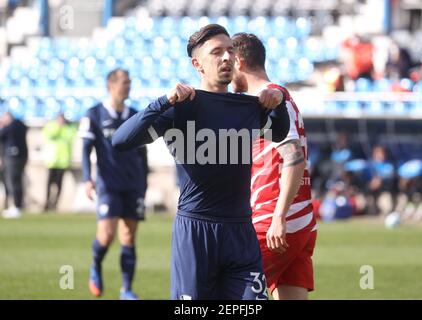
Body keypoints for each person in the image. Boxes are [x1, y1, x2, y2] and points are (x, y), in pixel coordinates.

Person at [112, 24, 290, 300]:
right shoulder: (181, 107)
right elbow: (121, 140)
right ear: (198, 64)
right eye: (217, 52)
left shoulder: (248, 106)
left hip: (241, 231)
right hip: (196, 232)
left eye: (230, 50)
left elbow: (279, 132)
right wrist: (162, 101)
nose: (227, 58)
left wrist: (278, 102)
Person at [231, 32, 317, 300]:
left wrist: (278, 217)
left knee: (230, 291)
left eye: (227, 60)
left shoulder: (268, 100)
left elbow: (293, 158)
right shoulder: (281, 97)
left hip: (275, 220)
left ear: (240, 62)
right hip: (298, 218)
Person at [78, 69, 148, 300]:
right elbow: (86, 149)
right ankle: (96, 265)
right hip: (108, 185)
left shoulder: (135, 115)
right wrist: (87, 179)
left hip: (133, 184)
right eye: (124, 83)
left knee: (128, 236)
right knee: (106, 236)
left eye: (129, 82)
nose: (128, 87)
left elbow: (143, 152)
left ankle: (126, 290)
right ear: (111, 85)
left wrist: (144, 182)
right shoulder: (94, 114)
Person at [42, 112, 77, 211]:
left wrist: (66, 126)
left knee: (59, 183)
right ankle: (47, 202)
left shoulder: (69, 128)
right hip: (51, 160)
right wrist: (59, 127)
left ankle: (55, 203)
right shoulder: (51, 126)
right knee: (49, 183)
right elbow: (49, 135)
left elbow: (71, 137)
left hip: (63, 161)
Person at [0, 111, 28, 219]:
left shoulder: (11, 127)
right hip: (21, 157)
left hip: (12, 158)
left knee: (13, 181)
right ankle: (16, 206)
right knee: (16, 181)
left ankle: (16, 206)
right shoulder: (21, 125)